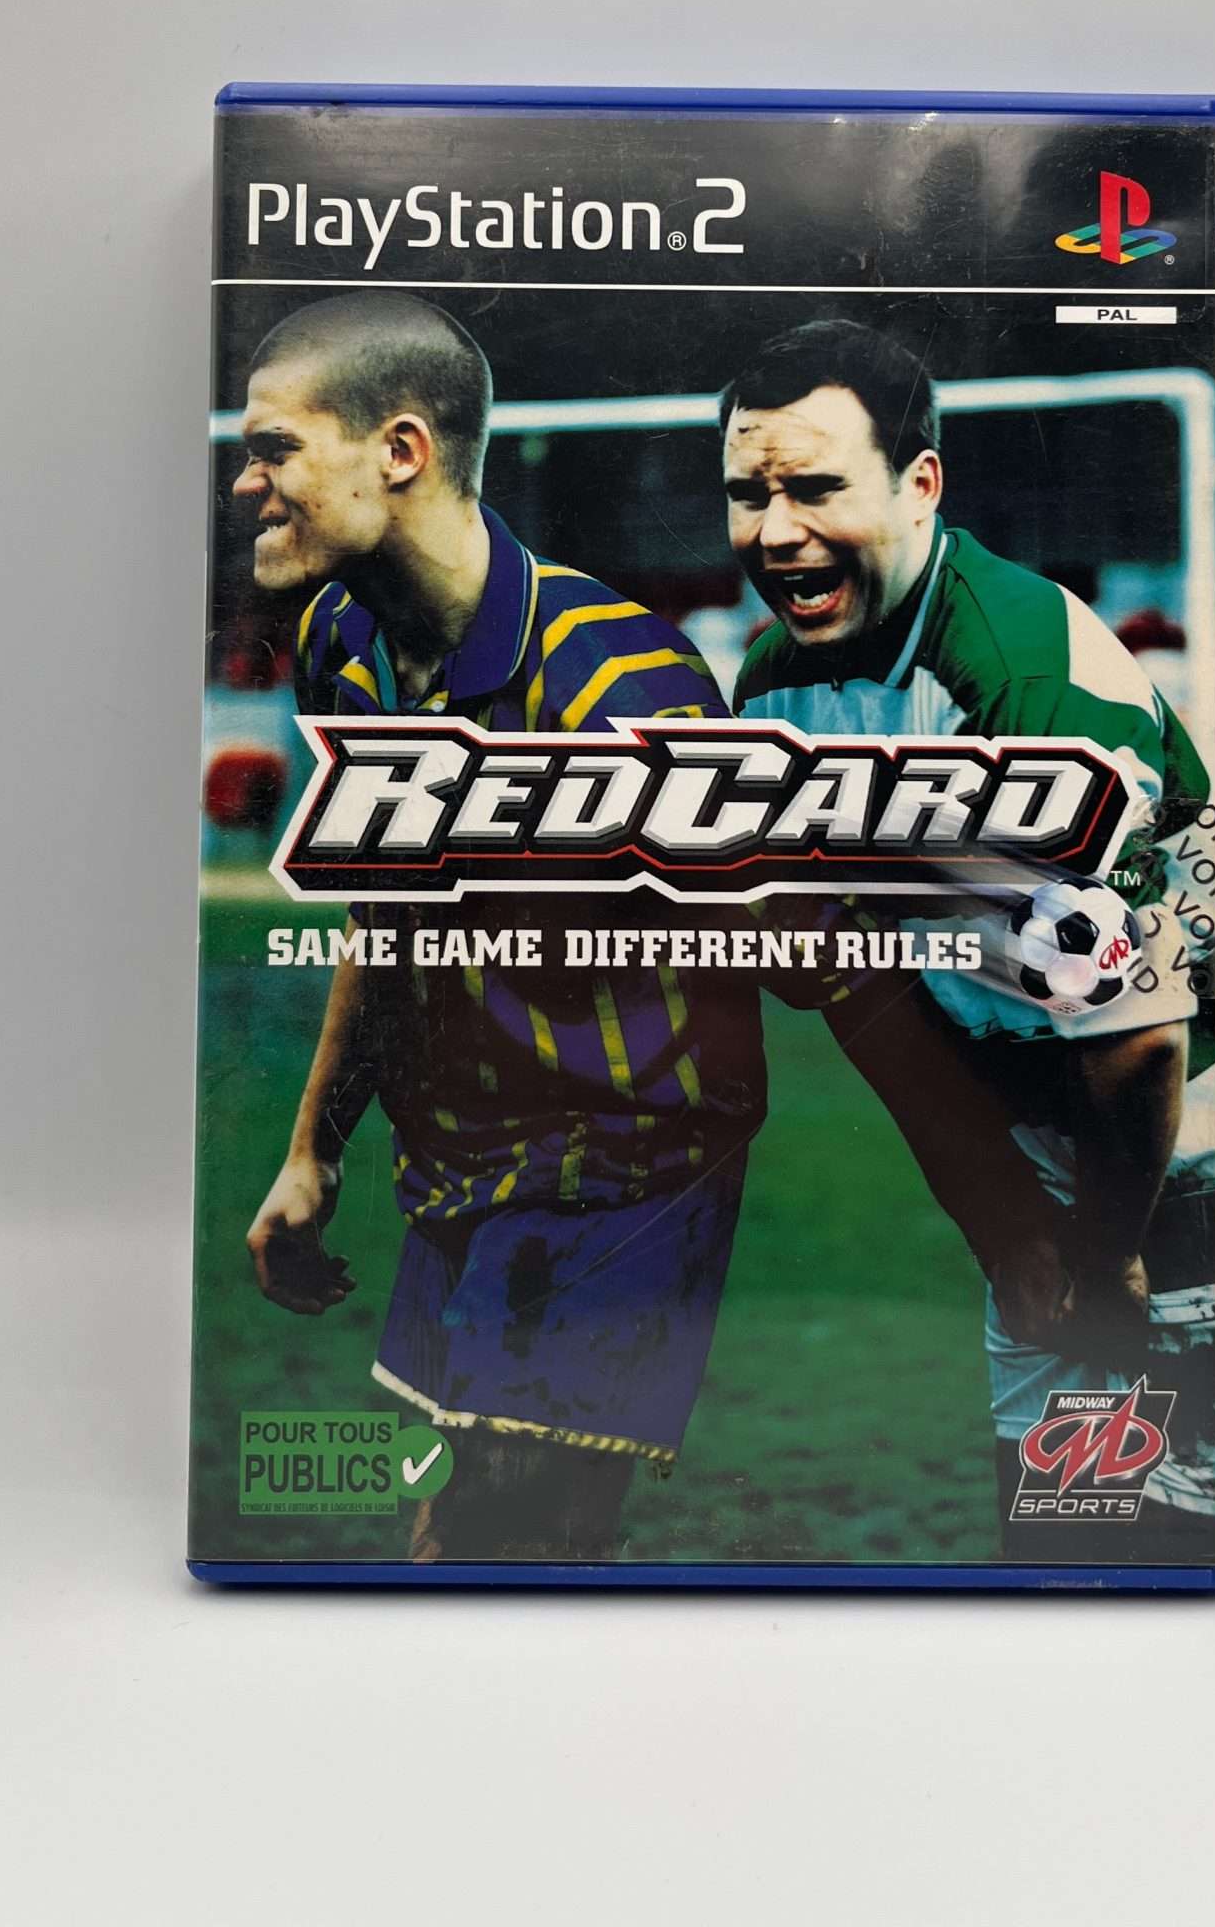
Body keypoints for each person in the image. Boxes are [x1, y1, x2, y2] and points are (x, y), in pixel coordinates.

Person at [236, 293, 1068, 1564]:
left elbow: (827, 958)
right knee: (445, 1533)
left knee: (497, 1538)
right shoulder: (338, 640)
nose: (247, 482)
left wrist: (1004, 1221)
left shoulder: (622, 689)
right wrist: (314, 1152)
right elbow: (387, 915)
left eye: (274, 448)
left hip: (618, 1177)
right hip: (452, 1168)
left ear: (399, 451)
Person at [721, 319, 1215, 1557]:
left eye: (815, 487)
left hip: (1186, 1149)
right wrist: (999, 1215)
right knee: (1064, 1543)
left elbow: (1138, 1036)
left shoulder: (1024, 692)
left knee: (1153, 1556)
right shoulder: (773, 688)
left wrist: (1102, 1251)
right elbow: (852, 977)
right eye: (747, 493)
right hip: (1050, 1140)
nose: (774, 530)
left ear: (920, 484)